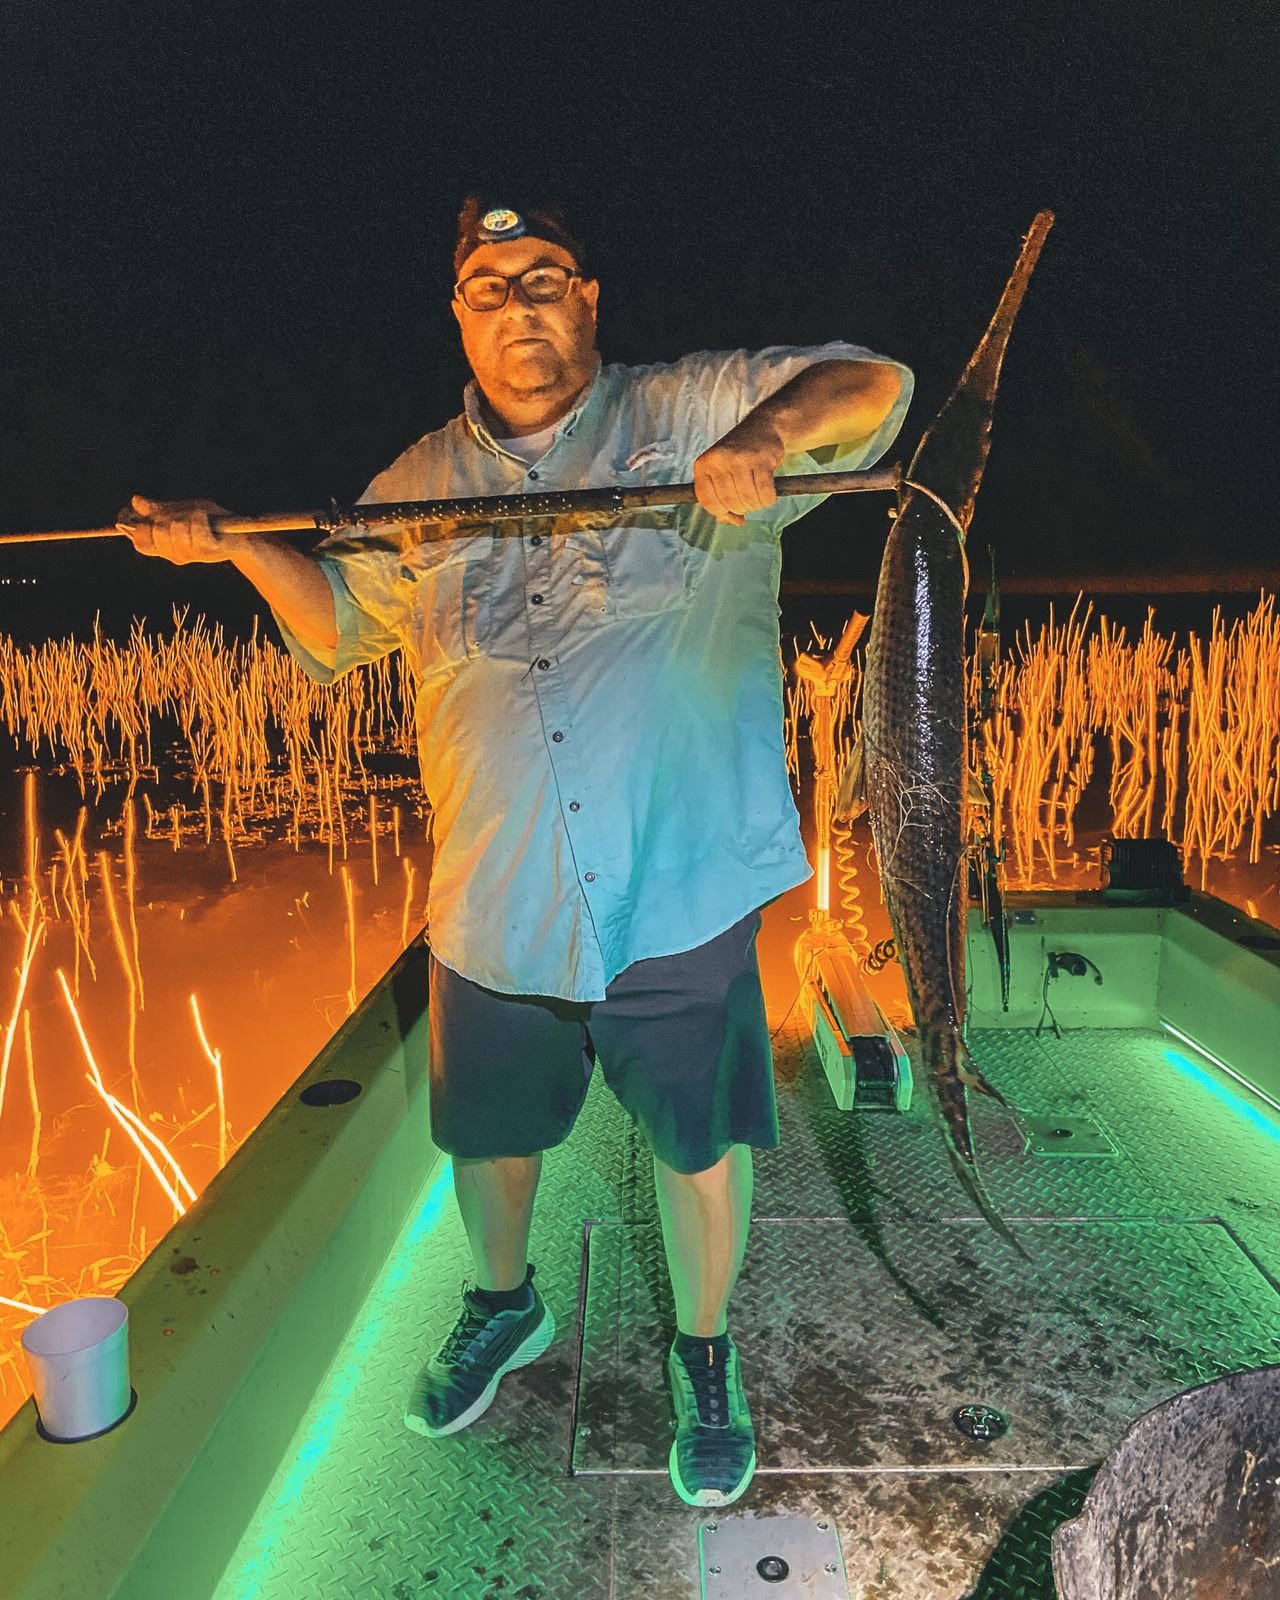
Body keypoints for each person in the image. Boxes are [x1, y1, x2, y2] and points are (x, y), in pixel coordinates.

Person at [123, 196, 912, 1508]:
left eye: (544, 278)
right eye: (489, 287)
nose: (519, 306)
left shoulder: (689, 410)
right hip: (496, 892)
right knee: (488, 1135)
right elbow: (339, 630)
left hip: (677, 882)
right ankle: (505, 1304)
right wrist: (240, 546)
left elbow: (873, 385)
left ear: (587, 297)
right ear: (459, 316)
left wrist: (766, 442)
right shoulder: (413, 484)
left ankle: (705, 1353)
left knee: (697, 1138)